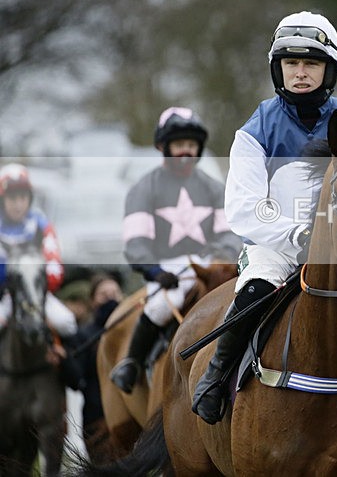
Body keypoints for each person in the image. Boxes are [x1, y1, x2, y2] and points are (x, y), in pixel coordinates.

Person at [191, 10, 337, 424]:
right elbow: (242, 208)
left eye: (311, 63)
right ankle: (216, 376)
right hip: (275, 250)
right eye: (291, 63)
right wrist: (298, 236)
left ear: (329, 70)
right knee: (255, 288)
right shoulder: (253, 132)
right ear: (279, 68)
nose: (301, 72)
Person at [109, 108, 241, 393]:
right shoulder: (143, 189)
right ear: (163, 147)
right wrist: (156, 271)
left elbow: (229, 234)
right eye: (180, 145)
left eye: (191, 145)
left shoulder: (215, 188)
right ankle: (131, 363)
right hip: (166, 272)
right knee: (159, 306)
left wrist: (220, 257)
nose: (186, 151)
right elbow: (135, 242)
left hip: (209, 265)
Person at [0, 163, 78, 341]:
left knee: (66, 322)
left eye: (22, 198)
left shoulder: (40, 224)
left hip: (37, 293)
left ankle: (71, 365)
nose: (18, 204)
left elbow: (54, 269)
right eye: (12, 199)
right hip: (4, 296)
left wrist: (36, 287)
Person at [74, 273, 124, 461]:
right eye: (103, 294)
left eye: (114, 293)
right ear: (93, 300)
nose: (110, 298)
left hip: (131, 417)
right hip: (97, 418)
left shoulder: (134, 334)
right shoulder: (85, 335)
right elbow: (76, 377)